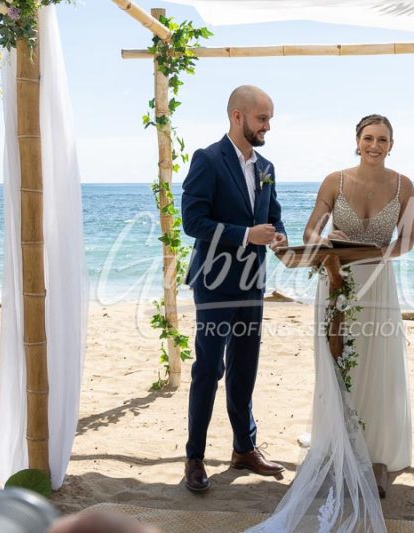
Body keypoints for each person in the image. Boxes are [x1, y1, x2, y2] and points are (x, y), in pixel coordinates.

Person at [248, 114, 414, 532]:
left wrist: (371, 254)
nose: (374, 145)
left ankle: (374, 457)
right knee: (336, 362)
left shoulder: (404, 185)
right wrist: (327, 245)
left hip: (378, 284)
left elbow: (407, 242)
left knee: (377, 367)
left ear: (391, 145)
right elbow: (311, 230)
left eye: (382, 139)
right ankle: (337, 448)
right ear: (356, 142)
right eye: (367, 138)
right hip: (335, 279)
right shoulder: (334, 182)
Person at [180, 85, 288, 493]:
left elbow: (273, 218)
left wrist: (280, 241)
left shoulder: (267, 167)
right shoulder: (207, 159)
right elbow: (194, 222)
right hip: (213, 284)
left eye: (270, 119)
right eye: (262, 119)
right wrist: (246, 235)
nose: (268, 127)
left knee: (246, 367)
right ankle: (194, 459)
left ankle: (244, 448)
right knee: (209, 370)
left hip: (251, 285)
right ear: (238, 116)